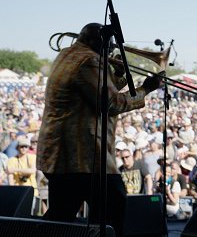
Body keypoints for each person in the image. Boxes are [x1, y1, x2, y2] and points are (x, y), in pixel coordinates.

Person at [37, 23, 161, 236]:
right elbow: (110, 103)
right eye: (110, 46)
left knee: (61, 216)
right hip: (83, 156)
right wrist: (145, 89)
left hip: (62, 154)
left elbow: (96, 91)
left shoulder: (68, 55)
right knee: (112, 206)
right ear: (99, 42)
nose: (112, 50)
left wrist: (118, 75)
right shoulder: (89, 60)